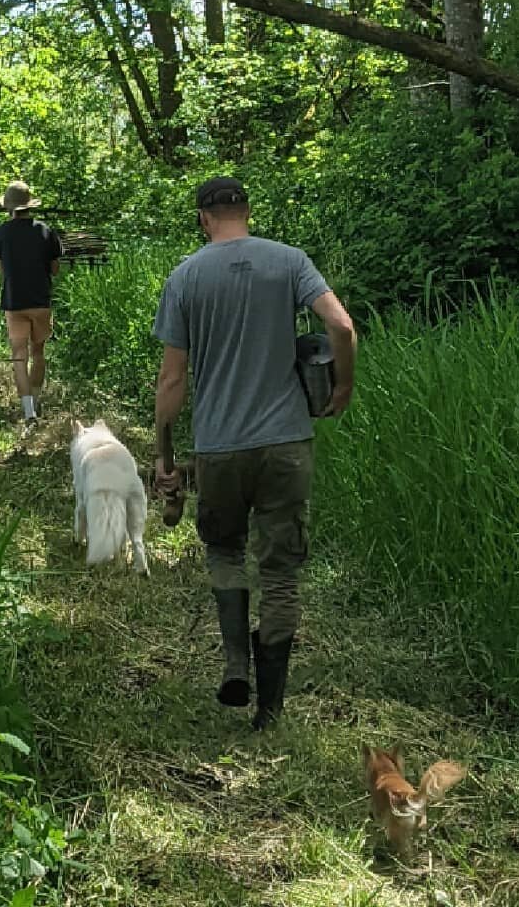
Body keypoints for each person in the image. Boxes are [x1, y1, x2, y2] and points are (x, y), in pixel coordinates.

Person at [151, 176, 356, 729]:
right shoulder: (288, 262)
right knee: (282, 572)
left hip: (218, 447)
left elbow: (172, 381)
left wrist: (163, 455)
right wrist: (342, 386)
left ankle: (235, 663)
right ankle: (270, 710)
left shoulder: (186, 277)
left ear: (203, 218)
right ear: (246, 210)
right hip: (287, 443)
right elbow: (340, 323)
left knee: (223, 549)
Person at [0, 179, 61, 423]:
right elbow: (55, 269)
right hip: (40, 299)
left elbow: (1, 268)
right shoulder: (45, 230)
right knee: (38, 352)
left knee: (19, 354)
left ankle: (28, 412)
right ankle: (36, 400)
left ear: (8, 207)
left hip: (13, 300)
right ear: (30, 205)